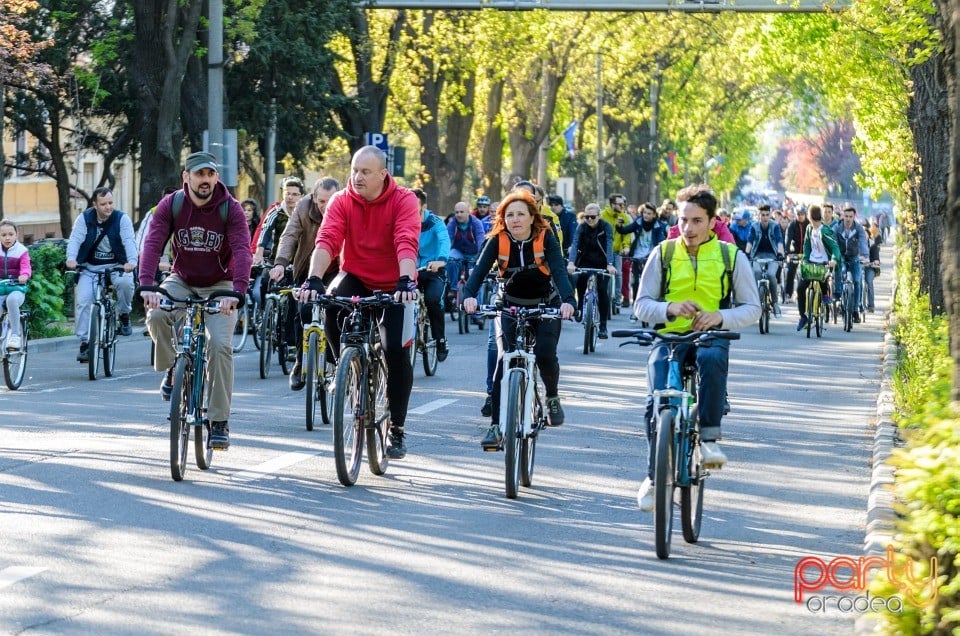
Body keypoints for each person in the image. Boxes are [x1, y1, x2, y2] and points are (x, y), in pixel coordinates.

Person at [634, 184, 760, 511]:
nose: (687, 228)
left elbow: (752, 308)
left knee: (713, 357)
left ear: (712, 221)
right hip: (669, 337)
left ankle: (708, 439)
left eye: (696, 221)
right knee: (657, 401)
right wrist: (669, 308)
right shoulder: (662, 253)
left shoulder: (730, 256)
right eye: (682, 220)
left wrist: (720, 316)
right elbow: (641, 305)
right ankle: (653, 476)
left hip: (710, 334)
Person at [301, 145, 419, 460]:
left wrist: (406, 281)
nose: (357, 177)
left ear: (383, 174)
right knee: (329, 301)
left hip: (395, 283)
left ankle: (397, 428)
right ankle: (345, 366)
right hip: (356, 275)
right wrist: (314, 277)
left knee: (395, 350)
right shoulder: (342, 200)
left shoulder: (404, 200)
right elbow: (327, 239)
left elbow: (406, 239)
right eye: (354, 170)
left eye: (365, 172)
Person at [139, 151, 252, 451]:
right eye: (199, 174)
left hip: (222, 285)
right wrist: (147, 285)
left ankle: (219, 422)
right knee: (156, 315)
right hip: (183, 279)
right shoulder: (172, 204)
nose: (206, 180)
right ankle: (172, 368)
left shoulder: (231, 208)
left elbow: (242, 249)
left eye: (210, 174)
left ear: (216, 177)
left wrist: (238, 291)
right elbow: (153, 244)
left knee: (219, 346)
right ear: (186, 177)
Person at [462, 190, 576, 450]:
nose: (515, 219)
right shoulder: (498, 240)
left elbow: (558, 270)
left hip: (546, 305)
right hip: (510, 306)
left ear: (531, 216)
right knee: (504, 360)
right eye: (509, 214)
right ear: (504, 218)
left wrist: (569, 301)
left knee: (546, 354)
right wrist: (468, 296)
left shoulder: (545, 237)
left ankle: (553, 397)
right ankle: (495, 426)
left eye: (520, 214)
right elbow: (478, 272)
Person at [272, 177, 340, 390]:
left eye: (330, 201)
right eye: (321, 201)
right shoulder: (303, 207)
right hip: (308, 269)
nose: (325, 206)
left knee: (335, 311)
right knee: (303, 309)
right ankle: (300, 362)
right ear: (313, 197)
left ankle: (335, 360)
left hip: (336, 269)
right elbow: (289, 235)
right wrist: (281, 263)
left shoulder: (345, 206)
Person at [66, 186, 138, 361]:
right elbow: (75, 239)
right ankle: (85, 343)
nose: (108, 207)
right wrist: (71, 259)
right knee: (83, 300)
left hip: (117, 266)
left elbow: (129, 241)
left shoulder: (122, 219)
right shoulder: (84, 218)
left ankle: (124, 314)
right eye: (103, 204)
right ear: (95, 205)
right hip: (90, 267)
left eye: (111, 203)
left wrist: (131, 262)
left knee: (126, 283)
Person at [567, 202, 618, 338]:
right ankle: (581, 307)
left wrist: (610, 264)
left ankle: (603, 326)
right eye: (586, 216)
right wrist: (571, 263)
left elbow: (609, 244)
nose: (589, 219)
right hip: (585, 260)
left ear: (599, 216)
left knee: (602, 290)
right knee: (580, 282)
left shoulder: (606, 226)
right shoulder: (581, 227)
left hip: (603, 262)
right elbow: (575, 243)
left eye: (592, 217)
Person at [413, 188, 451, 362]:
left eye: (416, 207)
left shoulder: (435, 222)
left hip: (433, 269)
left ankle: (440, 340)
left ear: (424, 206)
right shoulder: (403, 220)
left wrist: (441, 260)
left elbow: (444, 240)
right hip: (410, 270)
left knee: (433, 300)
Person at [796, 205, 841, 332]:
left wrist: (833, 260)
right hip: (811, 261)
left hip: (823, 262)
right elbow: (806, 246)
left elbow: (835, 247)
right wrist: (805, 259)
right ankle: (803, 316)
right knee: (800, 288)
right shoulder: (809, 228)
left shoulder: (824, 230)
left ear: (810, 217)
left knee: (823, 279)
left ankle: (826, 295)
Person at [617, 202, 667, 311]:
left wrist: (658, 251)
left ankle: (650, 303)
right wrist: (619, 226)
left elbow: (661, 241)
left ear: (654, 215)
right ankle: (636, 304)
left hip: (651, 256)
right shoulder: (638, 222)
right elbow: (624, 230)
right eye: (644, 213)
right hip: (637, 255)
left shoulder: (659, 226)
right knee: (635, 281)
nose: (646, 215)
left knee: (650, 281)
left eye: (649, 213)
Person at [747, 203, 785, 316]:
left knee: (771, 275)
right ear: (759, 215)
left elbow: (779, 241)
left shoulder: (775, 226)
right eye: (762, 215)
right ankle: (755, 303)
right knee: (757, 273)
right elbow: (750, 240)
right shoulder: (754, 226)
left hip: (772, 256)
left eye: (767, 215)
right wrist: (747, 253)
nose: (765, 217)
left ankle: (775, 304)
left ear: (770, 215)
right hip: (757, 256)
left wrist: (780, 253)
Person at [835, 206, 870, 323]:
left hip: (855, 257)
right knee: (840, 271)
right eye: (846, 216)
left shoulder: (859, 228)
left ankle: (855, 309)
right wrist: (834, 257)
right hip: (841, 256)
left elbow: (863, 242)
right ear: (843, 216)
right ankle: (839, 296)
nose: (848, 219)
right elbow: (833, 243)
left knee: (857, 280)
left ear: (854, 217)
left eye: (851, 217)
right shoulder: (837, 228)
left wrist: (865, 256)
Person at [445, 201, 485, 303]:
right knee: (451, 259)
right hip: (458, 251)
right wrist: (444, 254)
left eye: (462, 212)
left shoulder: (476, 223)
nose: (459, 214)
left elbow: (481, 240)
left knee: (474, 277)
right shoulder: (452, 223)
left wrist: (480, 256)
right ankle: (453, 288)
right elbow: (447, 240)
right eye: (457, 212)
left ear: (468, 212)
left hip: (473, 253)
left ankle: (477, 311)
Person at [0, 220, 31, 351]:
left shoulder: (21, 251)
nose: (7, 238)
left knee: (12, 300)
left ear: (16, 235)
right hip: (1, 288)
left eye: (10, 234)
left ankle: (15, 335)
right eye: (3, 235)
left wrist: (24, 275)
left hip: (17, 288)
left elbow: (26, 267)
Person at [783, 207, 809, 302]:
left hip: (806, 253)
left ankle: (805, 294)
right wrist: (787, 252)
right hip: (795, 252)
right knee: (791, 271)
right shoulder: (792, 225)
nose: (800, 216)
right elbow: (788, 239)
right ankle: (788, 294)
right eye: (798, 214)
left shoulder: (809, 224)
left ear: (805, 215)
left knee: (808, 274)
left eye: (802, 214)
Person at [864, 221, 882, 313]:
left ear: (868, 235)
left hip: (869, 267)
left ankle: (871, 306)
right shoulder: (856, 245)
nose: (864, 236)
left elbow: (876, 257)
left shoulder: (872, 245)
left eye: (865, 234)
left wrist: (876, 260)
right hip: (859, 267)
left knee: (869, 282)